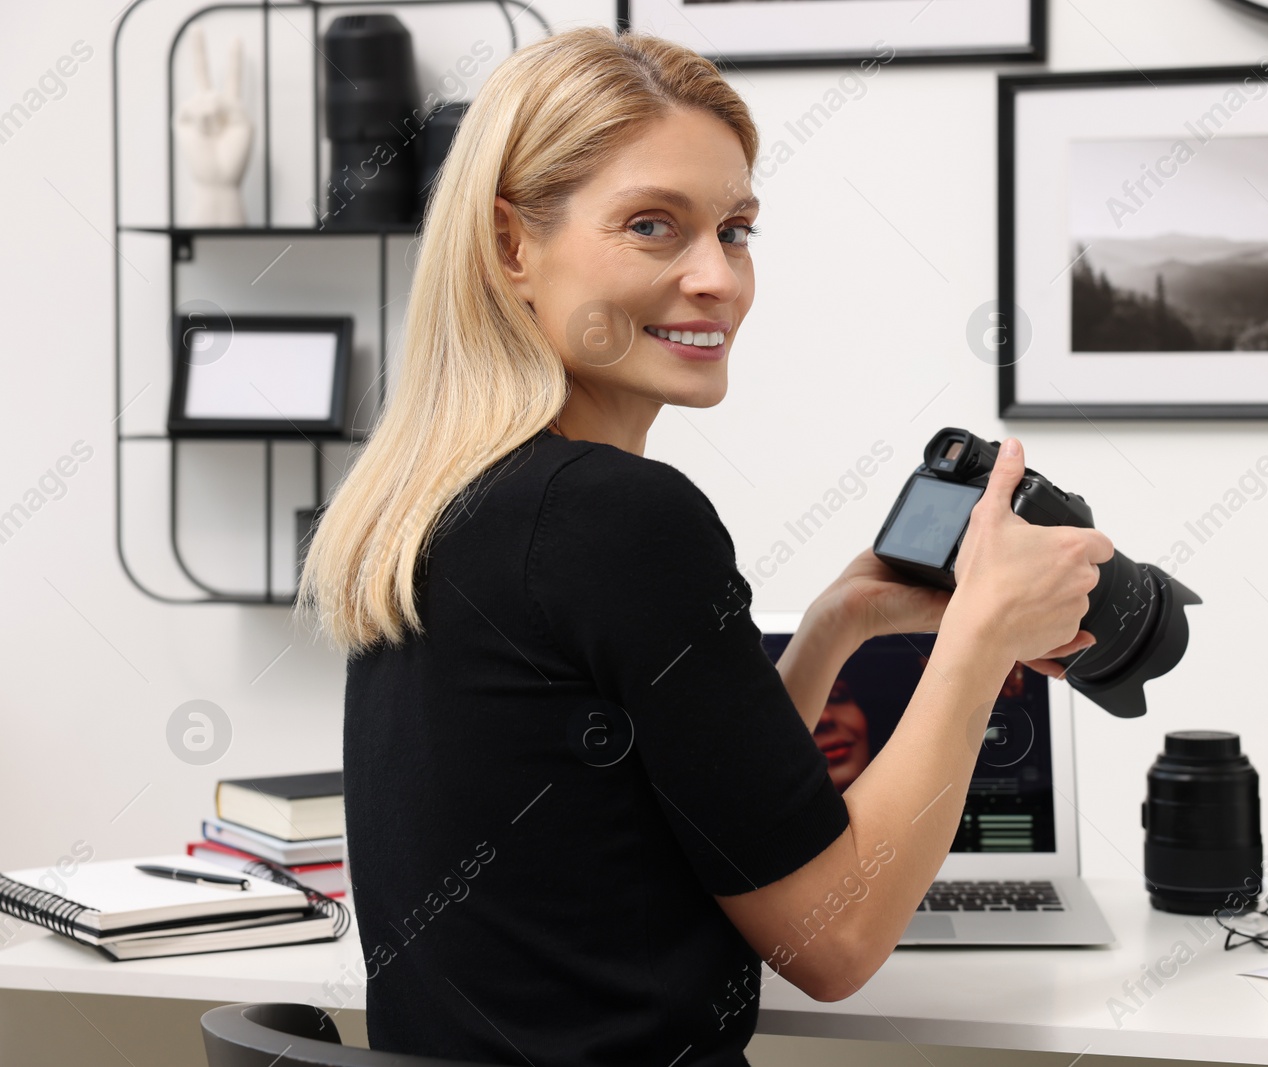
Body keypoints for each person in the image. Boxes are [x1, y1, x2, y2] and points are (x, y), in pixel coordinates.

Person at [296, 25, 1111, 1067]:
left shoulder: (445, 501)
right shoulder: (620, 515)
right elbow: (834, 938)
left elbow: (694, 804)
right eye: (652, 226)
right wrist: (980, 638)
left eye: (734, 230)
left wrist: (832, 629)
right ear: (511, 245)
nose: (716, 277)